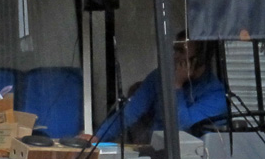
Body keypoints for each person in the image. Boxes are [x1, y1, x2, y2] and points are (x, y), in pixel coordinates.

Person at [95, 37, 227, 143]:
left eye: (181, 51)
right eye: (174, 50)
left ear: (200, 59)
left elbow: (180, 129)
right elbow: (130, 111)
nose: (175, 56)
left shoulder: (217, 96)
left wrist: (176, 85)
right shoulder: (160, 77)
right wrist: (98, 137)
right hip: (157, 153)